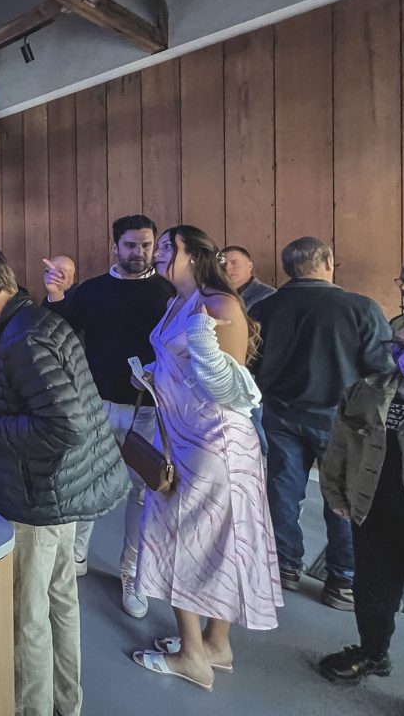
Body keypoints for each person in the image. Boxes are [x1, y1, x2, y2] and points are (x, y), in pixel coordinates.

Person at [0, 247, 127, 716]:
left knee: (27, 617)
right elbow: (50, 412)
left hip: (41, 494)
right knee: (60, 601)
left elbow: (63, 427)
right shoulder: (37, 322)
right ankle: (68, 702)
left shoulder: (22, 340)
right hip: (61, 489)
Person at [132, 225, 282, 692]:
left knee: (186, 539)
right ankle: (217, 645)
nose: (155, 256)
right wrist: (153, 376)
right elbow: (180, 365)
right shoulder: (177, 301)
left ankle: (192, 656)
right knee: (215, 540)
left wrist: (199, 335)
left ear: (193, 255)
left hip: (214, 442)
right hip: (182, 435)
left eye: (164, 248)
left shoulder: (220, 305)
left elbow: (229, 390)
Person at [44, 214, 175, 620]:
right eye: (131, 245)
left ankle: (133, 574)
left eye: (147, 245)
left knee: (142, 493)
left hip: (150, 411)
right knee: (86, 482)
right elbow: (62, 329)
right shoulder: (94, 290)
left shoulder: (169, 292)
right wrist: (54, 296)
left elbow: (182, 350)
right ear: (115, 246)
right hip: (97, 404)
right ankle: (78, 554)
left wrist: (157, 377)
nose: (139, 253)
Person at [249, 237, 392, 610]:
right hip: (340, 419)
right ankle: (342, 581)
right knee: (342, 499)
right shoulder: (361, 307)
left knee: (282, 491)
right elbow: (383, 369)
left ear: (287, 268)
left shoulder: (264, 307)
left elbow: (250, 365)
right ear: (328, 262)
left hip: (278, 414)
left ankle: (284, 568)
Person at [317, 308, 404, 716]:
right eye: (400, 345)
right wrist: (334, 491)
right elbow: (339, 447)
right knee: (373, 594)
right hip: (379, 513)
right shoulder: (368, 390)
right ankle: (372, 653)